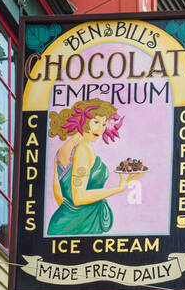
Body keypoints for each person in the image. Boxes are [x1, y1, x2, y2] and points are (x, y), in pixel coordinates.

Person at [47, 101, 141, 236]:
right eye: (96, 122)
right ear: (82, 120)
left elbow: (58, 192)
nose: (100, 129)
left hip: (62, 223)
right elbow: (78, 197)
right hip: (81, 227)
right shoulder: (84, 149)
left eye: (103, 124)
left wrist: (72, 213)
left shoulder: (60, 151)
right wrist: (119, 189)